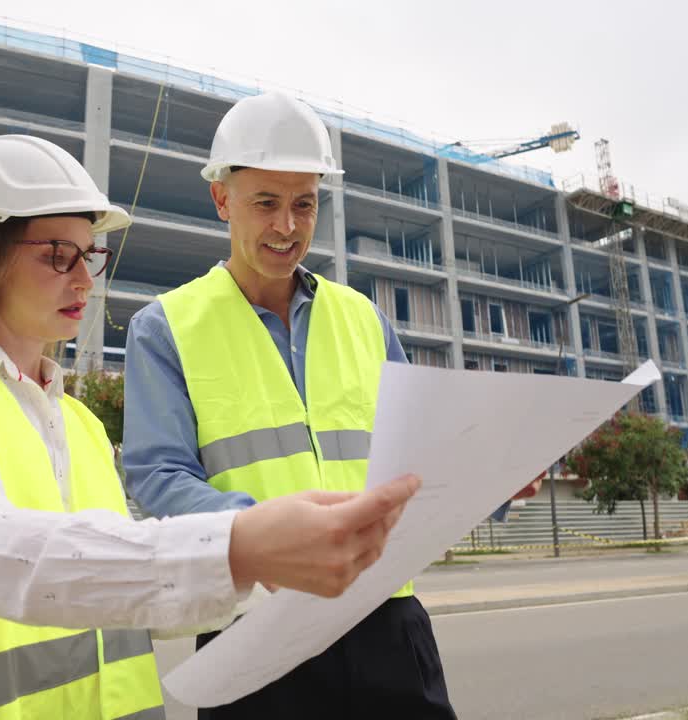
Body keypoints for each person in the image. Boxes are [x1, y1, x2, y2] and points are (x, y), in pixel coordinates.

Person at [0, 134, 419, 720]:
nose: (84, 280)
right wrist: (239, 543)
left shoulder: (80, 424)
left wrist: (284, 568)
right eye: (56, 255)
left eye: (89, 255)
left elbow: (124, 589)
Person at [123, 93, 457, 718]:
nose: (287, 227)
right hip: (255, 625)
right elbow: (158, 474)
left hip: (385, 617)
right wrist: (266, 535)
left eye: (303, 203)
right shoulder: (164, 328)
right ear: (222, 200)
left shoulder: (363, 318)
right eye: (266, 204)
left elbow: (418, 446)